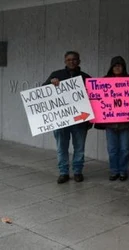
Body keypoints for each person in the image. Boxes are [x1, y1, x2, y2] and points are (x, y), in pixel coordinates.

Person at [42, 51, 92, 184]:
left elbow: (94, 98)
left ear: (79, 61)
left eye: (74, 59)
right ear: (65, 61)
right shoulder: (56, 75)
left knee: (79, 147)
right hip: (61, 121)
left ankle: (77, 171)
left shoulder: (86, 77)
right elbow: (42, 91)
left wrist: (90, 120)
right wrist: (50, 84)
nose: (72, 62)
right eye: (69, 59)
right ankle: (63, 172)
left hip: (80, 120)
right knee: (61, 147)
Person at [93, 56, 129, 181]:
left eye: (120, 65)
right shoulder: (104, 81)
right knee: (112, 149)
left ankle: (123, 171)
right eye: (115, 65)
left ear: (123, 67)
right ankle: (114, 171)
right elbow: (96, 98)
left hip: (127, 123)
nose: (117, 67)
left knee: (124, 149)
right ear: (111, 67)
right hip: (110, 123)